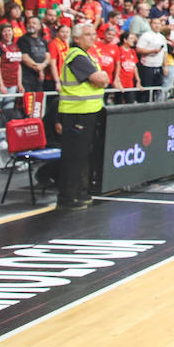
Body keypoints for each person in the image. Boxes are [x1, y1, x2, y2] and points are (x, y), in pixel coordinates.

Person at [56, 21, 108, 210]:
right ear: (76, 38)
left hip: (87, 112)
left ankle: (80, 193)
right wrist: (101, 77)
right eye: (88, 34)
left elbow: (103, 78)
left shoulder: (87, 56)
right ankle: (68, 198)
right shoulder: (76, 55)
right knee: (74, 157)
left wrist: (102, 78)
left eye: (94, 34)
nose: (92, 37)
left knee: (83, 156)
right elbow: (100, 79)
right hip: (76, 114)